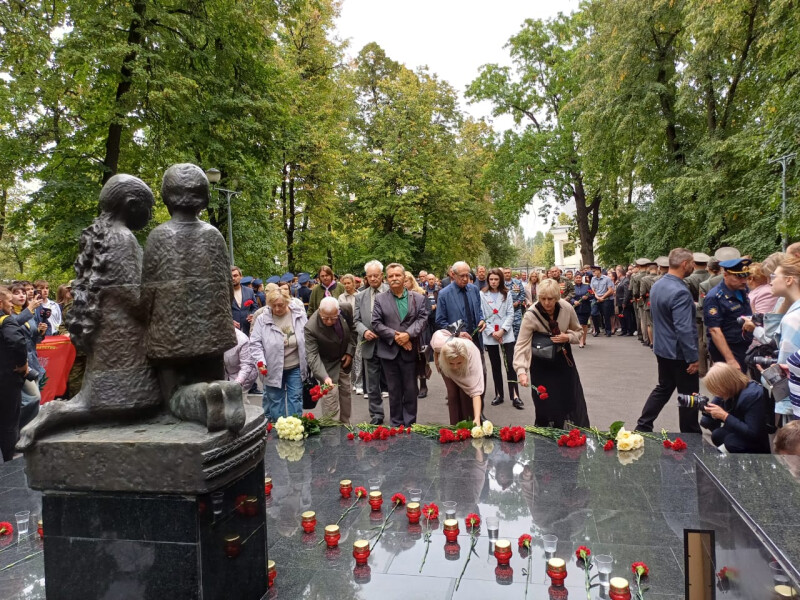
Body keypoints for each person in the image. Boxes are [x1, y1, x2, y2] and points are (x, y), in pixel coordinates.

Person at [142, 163, 243, 433]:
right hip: (213, 336)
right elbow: (226, 286)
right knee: (213, 380)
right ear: (204, 198)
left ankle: (202, 400)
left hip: (170, 340)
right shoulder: (214, 236)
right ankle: (224, 390)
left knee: (173, 396)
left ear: (167, 197)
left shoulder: (158, 237)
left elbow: (148, 291)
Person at [636, 248, 701, 433]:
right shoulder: (680, 291)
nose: (694, 266)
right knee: (689, 395)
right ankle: (690, 433)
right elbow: (684, 328)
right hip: (679, 352)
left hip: (662, 348)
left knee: (664, 388)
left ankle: (643, 425)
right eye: (692, 263)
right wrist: (692, 357)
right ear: (684, 264)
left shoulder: (658, 285)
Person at [513, 278, 588, 428]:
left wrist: (567, 337)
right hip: (541, 364)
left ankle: (567, 435)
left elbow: (579, 331)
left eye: (550, 299)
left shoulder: (566, 308)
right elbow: (522, 344)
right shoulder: (531, 315)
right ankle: (547, 437)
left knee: (567, 400)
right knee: (545, 405)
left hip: (563, 361)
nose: (546, 303)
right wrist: (521, 371)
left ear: (557, 297)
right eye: (543, 299)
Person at [372, 263, 429, 427]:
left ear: (404, 277)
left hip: (411, 351)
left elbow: (422, 319)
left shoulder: (418, 298)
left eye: (398, 275)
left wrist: (408, 335)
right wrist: (397, 337)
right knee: (394, 390)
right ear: (386, 279)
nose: (394, 278)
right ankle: (396, 424)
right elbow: (376, 323)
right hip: (389, 351)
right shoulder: (380, 299)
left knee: (411, 390)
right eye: (391, 276)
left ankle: (410, 424)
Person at [251, 289, 309, 421]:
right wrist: (260, 361)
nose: (277, 309)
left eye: (280, 305)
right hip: (272, 367)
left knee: (295, 398)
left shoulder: (299, 315)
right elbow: (255, 343)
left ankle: (295, 426)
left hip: (295, 366)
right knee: (275, 400)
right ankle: (280, 427)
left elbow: (308, 337)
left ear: (288, 302)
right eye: (273, 306)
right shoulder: (262, 319)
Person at [305, 297, 356, 424]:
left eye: (333, 318)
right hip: (326, 365)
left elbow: (353, 330)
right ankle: (332, 432)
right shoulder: (311, 327)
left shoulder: (346, 309)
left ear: (338, 311)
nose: (329, 321)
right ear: (319, 311)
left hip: (343, 361)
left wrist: (349, 352)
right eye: (325, 318)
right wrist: (324, 377)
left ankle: (345, 427)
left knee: (345, 395)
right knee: (330, 401)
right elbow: (312, 356)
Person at [700, 362, 770, 453]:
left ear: (725, 385)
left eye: (717, 390)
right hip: (745, 433)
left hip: (761, 440)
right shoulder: (734, 390)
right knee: (717, 435)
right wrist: (703, 406)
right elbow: (711, 421)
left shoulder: (753, 396)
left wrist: (725, 416)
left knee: (731, 442)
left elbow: (753, 433)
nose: (716, 394)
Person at [354, 260, 389, 424]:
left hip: (389, 344)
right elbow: (356, 320)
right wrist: (364, 331)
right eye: (370, 276)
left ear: (382, 275)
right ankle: (376, 414)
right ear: (366, 278)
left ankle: (398, 413)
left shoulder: (391, 291)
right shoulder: (360, 296)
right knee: (372, 384)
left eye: (376, 275)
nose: (373, 279)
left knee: (393, 381)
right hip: (369, 345)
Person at [481, 268, 521, 409]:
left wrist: (503, 330)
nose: (493, 282)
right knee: (495, 364)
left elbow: (510, 313)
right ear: (488, 280)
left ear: (501, 280)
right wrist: (492, 332)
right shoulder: (482, 294)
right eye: (491, 279)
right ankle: (499, 394)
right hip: (491, 332)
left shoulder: (507, 293)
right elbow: (482, 315)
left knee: (509, 363)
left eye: (496, 279)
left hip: (506, 332)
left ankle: (515, 395)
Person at [704, 258, 753, 372]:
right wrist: (730, 360)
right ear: (725, 275)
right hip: (728, 348)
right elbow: (714, 330)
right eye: (739, 277)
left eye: (745, 276)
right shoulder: (715, 297)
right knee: (732, 382)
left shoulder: (742, 289)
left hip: (743, 345)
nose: (744, 281)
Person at [431, 330, 483, 425]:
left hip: (466, 368)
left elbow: (475, 393)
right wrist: (436, 360)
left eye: (458, 363)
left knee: (466, 397)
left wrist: (477, 418)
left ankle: (469, 424)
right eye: (452, 363)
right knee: (452, 394)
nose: (455, 367)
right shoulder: (439, 343)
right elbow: (438, 335)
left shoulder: (473, 359)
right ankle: (454, 427)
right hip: (446, 366)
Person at [0, 286, 28, 461]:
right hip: (6, 378)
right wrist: (23, 364)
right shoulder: (6, 321)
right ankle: (11, 455)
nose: (12, 305)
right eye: (9, 301)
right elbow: (17, 343)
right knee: (9, 420)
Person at [435, 261, 486, 349]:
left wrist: (482, 319)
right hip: (457, 343)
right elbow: (440, 321)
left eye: (467, 275)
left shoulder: (474, 289)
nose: (465, 279)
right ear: (453, 275)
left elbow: (479, 311)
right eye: (462, 276)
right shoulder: (444, 294)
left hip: (476, 341)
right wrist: (457, 333)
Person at [405, 271, 432, 398]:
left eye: (406, 281)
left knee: (421, 359)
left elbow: (427, 312)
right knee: (410, 360)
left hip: (420, 332)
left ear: (412, 281)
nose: (404, 284)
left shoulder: (421, 294)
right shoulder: (400, 296)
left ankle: (423, 385)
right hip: (406, 332)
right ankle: (413, 385)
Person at [770, 257, 800, 364]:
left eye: (774, 277)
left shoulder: (793, 319)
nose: (770, 282)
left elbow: (786, 367)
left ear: (789, 280)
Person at [224, 328, 258, 392]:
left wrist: (238, 382)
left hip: (242, 377)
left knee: (237, 395)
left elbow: (247, 365)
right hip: (225, 375)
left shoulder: (242, 340)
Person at [231, 266, 257, 335]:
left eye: (235, 276)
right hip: (232, 331)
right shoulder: (225, 293)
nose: (233, 278)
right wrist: (230, 322)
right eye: (231, 276)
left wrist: (253, 315)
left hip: (248, 329)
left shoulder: (249, 291)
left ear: (241, 277)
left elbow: (255, 307)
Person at [590, 266, 615, 337]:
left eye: (594, 271)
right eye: (592, 271)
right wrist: (597, 297)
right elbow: (593, 289)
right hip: (596, 298)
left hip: (605, 298)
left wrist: (602, 297)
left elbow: (610, 290)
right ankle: (597, 330)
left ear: (599, 271)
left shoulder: (607, 279)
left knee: (606, 315)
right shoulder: (593, 279)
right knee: (593, 313)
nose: (593, 272)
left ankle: (608, 330)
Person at [504, 267, 526, 340]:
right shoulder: (501, 284)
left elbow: (522, 294)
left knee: (518, 328)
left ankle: (517, 344)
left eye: (508, 272)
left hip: (516, 310)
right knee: (507, 329)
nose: (507, 274)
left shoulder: (517, 282)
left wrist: (518, 302)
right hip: (505, 312)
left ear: (511, 273)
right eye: (505, 273)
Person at [571, 272, 592, 347]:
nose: (578, 279)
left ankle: (584, 339)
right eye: (577, 278)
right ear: (574, 279)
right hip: (576, 308)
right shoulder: (572, 287)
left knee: (584, 325)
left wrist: (587, 297)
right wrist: (574, 301)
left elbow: (592, 294)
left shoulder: (587, 286)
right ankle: (581, 341)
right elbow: (570, 296)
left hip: (585, 307)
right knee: (579, 324)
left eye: (579, 278)